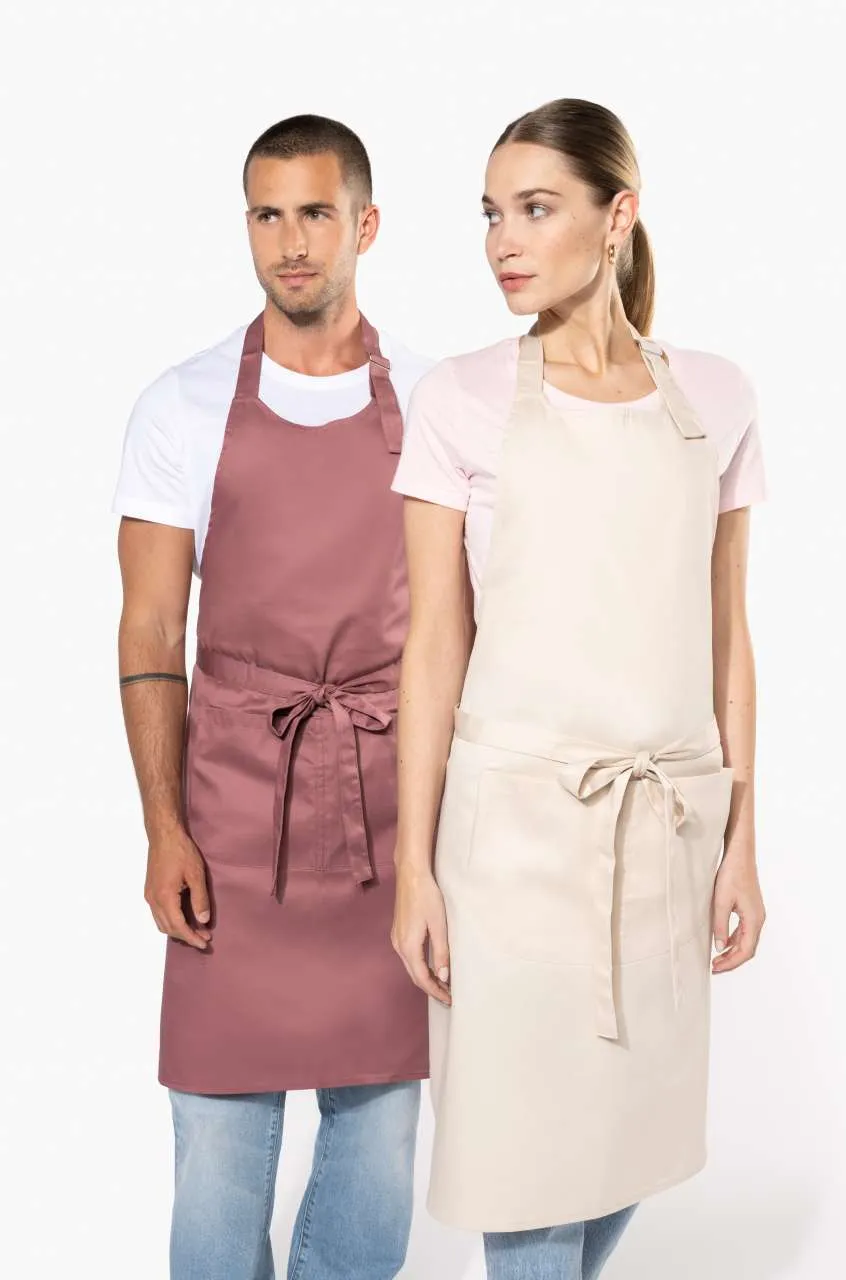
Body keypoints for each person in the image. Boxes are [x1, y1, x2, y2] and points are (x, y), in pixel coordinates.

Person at [390, 98, 767, 1279]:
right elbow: (432, 647)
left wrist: (740, 844)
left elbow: (726, 637)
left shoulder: (715, 396)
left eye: (535, 208)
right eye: (490, 213)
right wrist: (414, 865)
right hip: (506, 842)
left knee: (626, 1146)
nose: (502, 240)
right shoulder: (458, 398)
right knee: (524, 1169)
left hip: (664, 833)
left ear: (618, 216)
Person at [114, 114, 431, 1280]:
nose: (291, 243)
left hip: (389, 821)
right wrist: (163, 825)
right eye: (267, 214)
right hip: (230, 825)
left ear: (365, 225)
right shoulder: (183, 403)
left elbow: (463, 630)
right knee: (216, 1155)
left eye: (315, 213)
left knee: (380, 1147)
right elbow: (152, 628)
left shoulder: (433, 405)